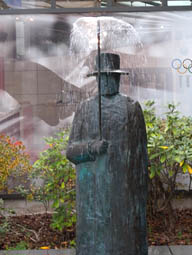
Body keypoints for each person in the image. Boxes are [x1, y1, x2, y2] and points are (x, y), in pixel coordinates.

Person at [66, 53, 148, 255]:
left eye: (113, 76)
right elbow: (71, 151)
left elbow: (141, 155)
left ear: (119, 78)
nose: (109, 81)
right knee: (95, 240)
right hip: (94, 192)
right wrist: (91, 147)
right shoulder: (85, 109)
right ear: (97, 78)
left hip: (125, 190)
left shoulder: (132, 108)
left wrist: (139, 190)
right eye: (104, 76)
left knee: (125, 240)